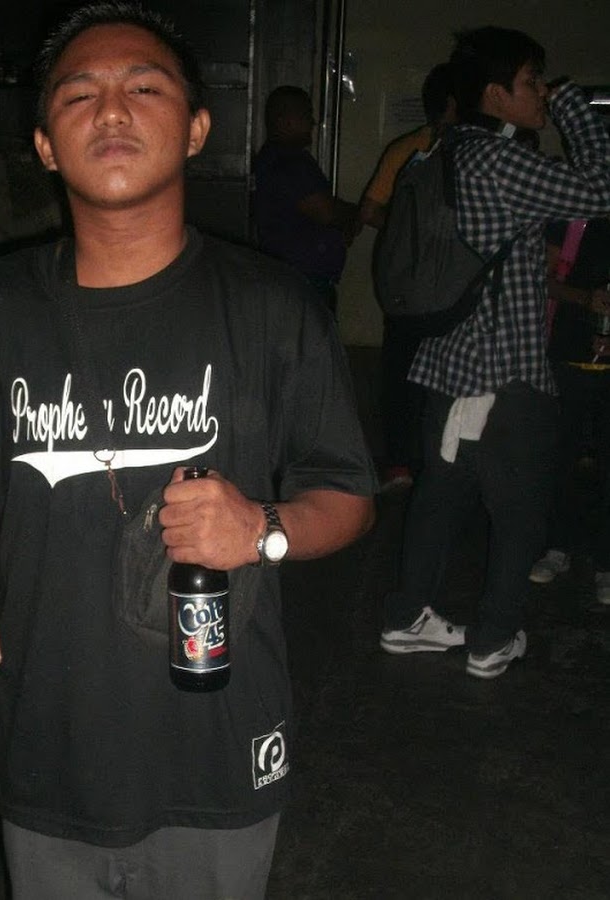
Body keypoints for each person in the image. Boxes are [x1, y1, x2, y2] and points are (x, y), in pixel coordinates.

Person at [0, 3, 377, 897]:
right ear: (45, 146)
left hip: (219, 744)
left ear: (197, 129)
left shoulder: (273, 307)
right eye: (79, 94)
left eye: (145, 88)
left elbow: (349, 496)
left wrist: (263, 529)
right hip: (46, 740)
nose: (113, 110)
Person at [379, 26, 610, 679]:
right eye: (531, 82)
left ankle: (406, 618)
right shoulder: (499, 160)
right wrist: (574, 108)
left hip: (447, 366)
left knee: (439, 500)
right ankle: (493, 641)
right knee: (520, 514)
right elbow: (601, 190)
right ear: (495, 92)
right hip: (505, 376)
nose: (540, 92)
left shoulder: (445, 149)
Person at [358, 63, 458, 492]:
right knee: (412, 374)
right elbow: (370, 211)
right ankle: (412, 463)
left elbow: (369, 211)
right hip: (423, 284)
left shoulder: (414, 147)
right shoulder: (421, 149)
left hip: (417, 284)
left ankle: (411, 463)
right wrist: (414, 233)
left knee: (412, 374)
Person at [529, 216, 610, 605]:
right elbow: (541, 280)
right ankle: (556, 546)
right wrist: (584, 298)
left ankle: (605, 563)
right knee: (561, 457)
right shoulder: (570, 220)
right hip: (568, 356)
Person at [253, 84, 359, 314]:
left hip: (294, 279)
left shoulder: (276, 159)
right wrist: (353, 215)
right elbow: (326, 212)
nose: (313, 122)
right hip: (301, 282)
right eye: (306, 115)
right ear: (285, 121)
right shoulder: (289, 163)